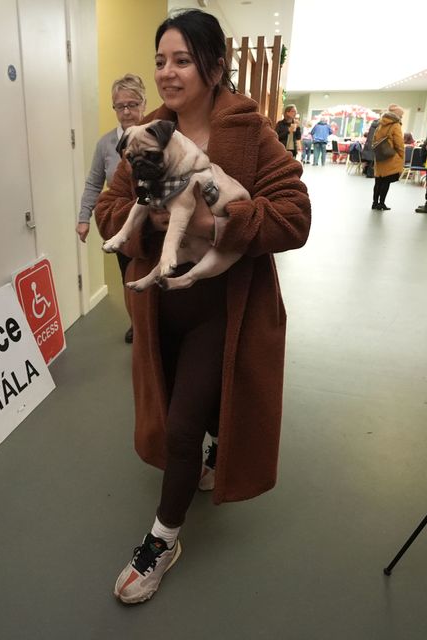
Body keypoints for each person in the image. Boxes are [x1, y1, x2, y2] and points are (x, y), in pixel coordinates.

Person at [95, 8, 310, 605]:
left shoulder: (250, 131)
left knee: (183, 424)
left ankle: (163, 538)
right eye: (161, 60)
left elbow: (294, 213)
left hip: (223, 304)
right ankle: (206, 455)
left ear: (215, 67)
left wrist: (224, 222)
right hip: (161, 305)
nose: (167, 72)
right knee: (182, 407)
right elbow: (113, 210)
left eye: (182, 59)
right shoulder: (148, 136)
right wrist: (157, 221)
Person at [76, 73, 146, 341]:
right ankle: (137, 324)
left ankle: (156, 326)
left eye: (133, 104)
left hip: (156, 220)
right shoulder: (105, 144)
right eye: (120, 106)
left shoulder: (158, 133)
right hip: (123, 224)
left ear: (143, 103)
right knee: (128, 276)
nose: (127, 111)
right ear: (114, 108)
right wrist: (84, 218)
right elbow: (94, 183)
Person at [371, 106, 404, 210]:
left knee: (378, 181)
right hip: (390, 156)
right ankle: (382, 203)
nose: (402, 117)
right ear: (396, 115)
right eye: (401, 115)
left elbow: (374, 139)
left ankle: (374, 203)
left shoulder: (380, 124)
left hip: (380, 155)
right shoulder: (395, 125)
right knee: (386, 181)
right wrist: (401, 156)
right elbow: (399, 143)